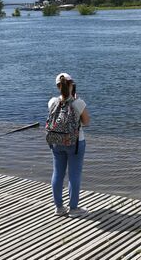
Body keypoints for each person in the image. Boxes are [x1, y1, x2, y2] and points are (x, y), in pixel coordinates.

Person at [48, 72, 90, 217]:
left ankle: (59, 207)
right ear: (71, 85)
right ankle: (73, 209)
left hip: (56, 142)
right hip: (75, 143)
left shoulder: (52, 102)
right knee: (74, 175)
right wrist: (76, 101)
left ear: (58, 87)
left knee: (57, 173)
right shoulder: (78, 103)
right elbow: (86, 122)